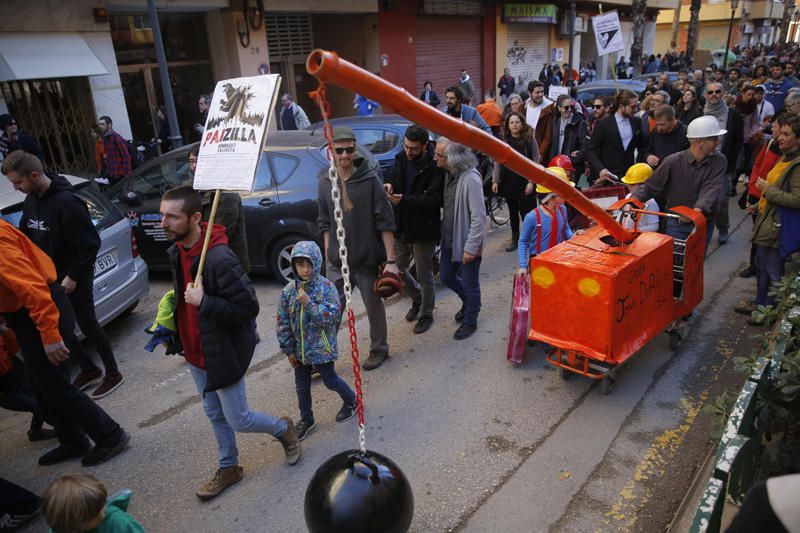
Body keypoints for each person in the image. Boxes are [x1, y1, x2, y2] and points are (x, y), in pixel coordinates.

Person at [160, 186, 300, 501]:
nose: (163, 223)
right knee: (214, 413)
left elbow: (248, 308)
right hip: (196, 352)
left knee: (239, 418)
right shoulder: (177, 251)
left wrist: (204, 302)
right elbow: (185, 301)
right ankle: (229, 467)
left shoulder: (219, 258)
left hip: (221, 352)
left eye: (171, 216)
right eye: (162, 215)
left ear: (195, 218)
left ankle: (283, 429)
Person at [0, 219, 130, 467]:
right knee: (40, 385)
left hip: (40, 310)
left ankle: (110, 435)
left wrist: (50, 336)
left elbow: (32, 288)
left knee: (56, 385)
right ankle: (72, 440)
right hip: (25, 315)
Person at [4, 150, 124, 400]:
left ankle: (112, 373)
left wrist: (73, 277)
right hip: (50, 278)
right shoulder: (32, 200)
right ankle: (89, 369)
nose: (16, 188)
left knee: (88, 324)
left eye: (18, 182)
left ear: (35, 175)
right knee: (64, 330)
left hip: (73, 276)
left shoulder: (67, 203)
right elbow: (28, 239)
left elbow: (90, 244)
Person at [317, 126, 399, 371]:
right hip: (337, 262)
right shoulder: (324, 182)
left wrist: (391, 261)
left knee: (373, 308)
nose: (344, 155)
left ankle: (380, 349)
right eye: (339, 150)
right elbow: (324, 222)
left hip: (365, 258)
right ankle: (323, 355)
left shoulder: (369, 179)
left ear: (355, 149)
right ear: (332, 152)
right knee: (331, 311)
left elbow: (385, 220)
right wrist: (329, 255)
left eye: (349, 150)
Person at [277, 241, 357, 441]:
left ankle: (351, 401)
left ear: (316, 263)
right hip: (299, 350)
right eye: (300, 264)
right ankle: (307, 419)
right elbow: (283, 322)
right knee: (302, 387)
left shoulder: (327, 288)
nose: (304, 269)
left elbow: (328, 318)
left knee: (330, 380)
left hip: (321, 348)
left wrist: (309, 303)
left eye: (308, 264)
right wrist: (288, 350)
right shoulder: (288, 291)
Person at [632, 115, 727, 251]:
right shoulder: (673, 161)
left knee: (695, 264)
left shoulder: (719, 161)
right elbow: (651, 186)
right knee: (675, 263)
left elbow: (711, 188)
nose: (718, 142)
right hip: (676, 223)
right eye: (713, 139)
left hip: (703, 222)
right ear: (699, 142)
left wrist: (695, 212)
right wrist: (633, 202)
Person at [739, 114, 800, 325]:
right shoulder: (784, 158)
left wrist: (767, 191)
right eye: (780, 132)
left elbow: (796, 199)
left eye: (786, 134)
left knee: (773, 269)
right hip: (767, 220)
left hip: (778, 225)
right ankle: (760, 303)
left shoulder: (797, 166)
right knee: (761, 264)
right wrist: (758, 204)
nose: (780, 138)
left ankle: (769, 311)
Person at [384, 125, 444, 334]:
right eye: (406, 146)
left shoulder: (434, 165)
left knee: (424, 275)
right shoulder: (402, 157)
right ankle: (417, 298)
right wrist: (389, 183)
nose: (409, 152)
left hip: (423, 229)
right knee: (397, 267)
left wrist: (404, 201)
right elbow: (393, 174)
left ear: (425, 146)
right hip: (401, 225)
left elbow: (435, 200)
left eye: (414, 149)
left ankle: (427, 313)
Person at [436, 138, 486, 340]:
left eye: (439, 155)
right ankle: (468, 300)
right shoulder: (449, 174)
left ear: (452, 159)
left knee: (470, 282)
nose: (435, 158)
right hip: (450, 240)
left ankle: (470, 320)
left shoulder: (471, 179)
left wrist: (471, 248)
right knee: (447, 276)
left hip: (467, 244)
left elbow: (479, 217)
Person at [184, 148, 249, 272]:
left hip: (227, 264)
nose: (194, 166)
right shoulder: (191, 189)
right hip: (203, 261)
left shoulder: (226, 193)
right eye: (191, 161)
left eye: (199, 161)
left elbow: (220, 233)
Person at [738, 116, 783, 279]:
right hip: (758, 195)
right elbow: (757, 165)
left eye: (777, 126)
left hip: (773, 199)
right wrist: (752, 189)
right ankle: (754, 265)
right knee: (757, 231)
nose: (773, 128)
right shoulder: (770, 143)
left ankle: (765, 269)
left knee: (767, 235)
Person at [492, 111, 541, 252]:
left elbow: (535, 160)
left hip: (525, 181)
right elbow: (498, 161)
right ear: (508, 125)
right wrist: (496, 180)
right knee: (513, 212)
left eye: (517, 122)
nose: (514, 125)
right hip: (509, 181)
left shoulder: (529, 139)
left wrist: (531, 181)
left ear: (522, 123)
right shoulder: (504, 140)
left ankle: (532, 239)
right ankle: (516, 239)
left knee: (528, 213)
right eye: (511, 123)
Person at [0, 319, 56, 441]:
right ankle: (70, 429)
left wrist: (4, 331)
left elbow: (14, 346)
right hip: (5, 392)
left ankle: (35, 431)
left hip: (16, 372)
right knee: (37, 405)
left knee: (41, 397)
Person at [704, 81, 743, 243]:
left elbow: (738, 141)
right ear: (706, 95)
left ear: (723, 93)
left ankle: (723, 227)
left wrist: (733, 166)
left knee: (720, 202)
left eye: (717, 91)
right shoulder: (701, 113)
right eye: (710, 92)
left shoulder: (733, 114)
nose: (714, 95)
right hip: (701, 164)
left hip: (723, 166)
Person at [517, 167, 575, 274]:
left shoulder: (563, 210)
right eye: (564, 191)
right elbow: (523, 242)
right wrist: (523, 265)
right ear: (551, 195)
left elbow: (566, 229)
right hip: (539, 265)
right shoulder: (532, 217)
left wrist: (575, 238)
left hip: (559, 260)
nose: (567, 194)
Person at [42, 472, 144, 533]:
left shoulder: (118, 523)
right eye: (95, 515)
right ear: (72, 524)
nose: (103, 512)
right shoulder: (62, 529)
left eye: (102, 505)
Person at [586, 90, 645, 184]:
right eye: (633, 107)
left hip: (630, 177)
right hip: (608, 177)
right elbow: (591, 150)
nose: (636, 109)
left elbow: (643, 147)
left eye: (637, 106)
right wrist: (601, 169)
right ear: (621, 106)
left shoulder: (637, 122)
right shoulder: (603, 123)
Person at [547, 95, 587, 166]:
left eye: (571, 107)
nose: (569, 110)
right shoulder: (555, 122)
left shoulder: (580, 123)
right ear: (559, 108)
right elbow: (551, 144)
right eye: (566, 107)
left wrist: (575, 158)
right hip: (556, 164)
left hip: (572, 165)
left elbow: (584, 146)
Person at [621, 163, 660, 232]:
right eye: (627, 184)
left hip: (641, 238)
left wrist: (635, 231)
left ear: (644, 185)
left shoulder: (651, 203)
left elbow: (654, 226)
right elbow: (622, 217)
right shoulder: (628, 196)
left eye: (632, 184)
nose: (628, 187)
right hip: (626, 235)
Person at [736, 85, 763, 181]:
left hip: (748, 135)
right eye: (748, 94)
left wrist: (754, 131)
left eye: (753, 94)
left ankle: (746, 175)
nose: (751, 97)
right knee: (738, 159)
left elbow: (755, 120)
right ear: (742, 93)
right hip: (737, 135)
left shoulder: (753, 105)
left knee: (748, 157)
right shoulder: (735, 104)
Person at [97, 116, 131, 185]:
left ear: (109, 125)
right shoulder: (105, 138)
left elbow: (126, 156)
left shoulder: (117, 138)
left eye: (102, 124)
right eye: (99, 124)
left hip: (121, 175)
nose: (100, 126)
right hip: (112, 175)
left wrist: (125, 172)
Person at [524, 81, 554, 154]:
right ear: (529, 93)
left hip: (541, 152)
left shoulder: (549, 108)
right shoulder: (523, 107)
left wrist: (540, 154)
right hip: (525, 149)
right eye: (537, 92)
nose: (540, 94)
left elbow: (548, 136)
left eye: (542, 92)